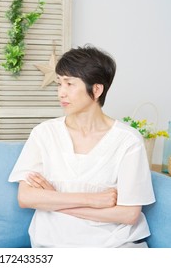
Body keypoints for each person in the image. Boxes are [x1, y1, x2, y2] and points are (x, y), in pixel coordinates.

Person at [8, 45, 155, 248]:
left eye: (69, 84)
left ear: (96, 89)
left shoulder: (128, 141)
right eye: (59, 84)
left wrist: (54, 200)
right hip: (52, 244)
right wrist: (92, 199)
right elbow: (25, 197)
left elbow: (129, 214)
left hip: (114, 245)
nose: (61, 92)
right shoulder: (44, 133)